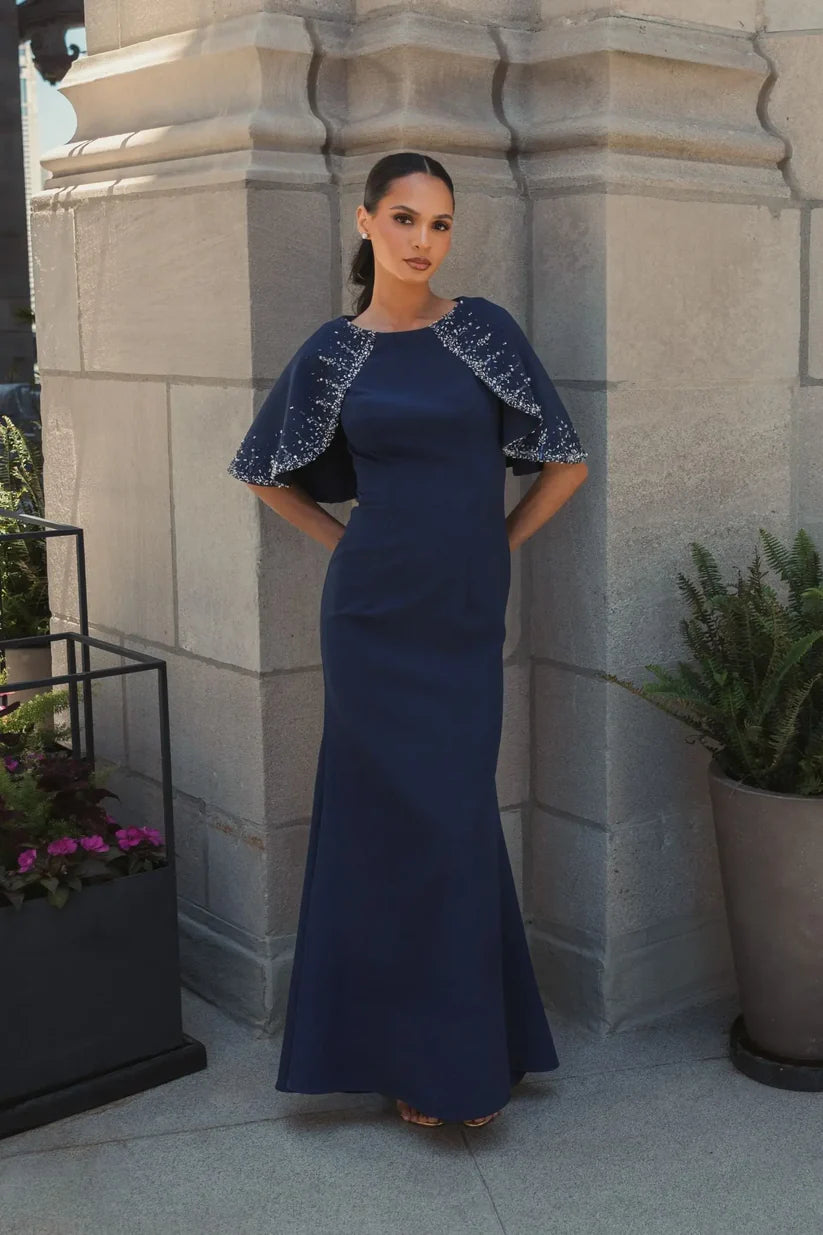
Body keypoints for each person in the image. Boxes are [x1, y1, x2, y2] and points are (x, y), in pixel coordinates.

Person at [226, 151, 589, 1128]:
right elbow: (261, 468)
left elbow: (564, 460)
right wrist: (346, 542)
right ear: (365, 221)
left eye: (438, 223)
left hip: (461, 612)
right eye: (403, 218)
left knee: (453, 819)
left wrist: (496, 543)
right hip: (369, 617)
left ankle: (466, 1052)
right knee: (381, 825)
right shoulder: (334, 350)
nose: (422, 240)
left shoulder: (482, 331)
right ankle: (409, 1062)